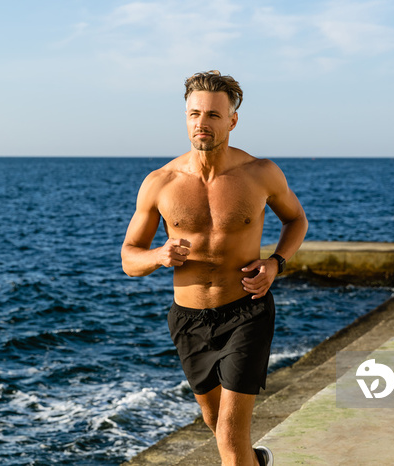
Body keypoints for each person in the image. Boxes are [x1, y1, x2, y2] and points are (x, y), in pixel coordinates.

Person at [121, 70, 308, 466]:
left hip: (247, 311)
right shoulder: (160, 183)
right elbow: (129, 257)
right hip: (188, 319)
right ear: (185, 117)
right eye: (194, 114)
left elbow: (297, 220)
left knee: (228, 435)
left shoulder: (260, 173)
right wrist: (158, 255)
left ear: (232, 121)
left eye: (213, 115)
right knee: (212, 419)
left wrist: (276, 263)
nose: (201, 123)